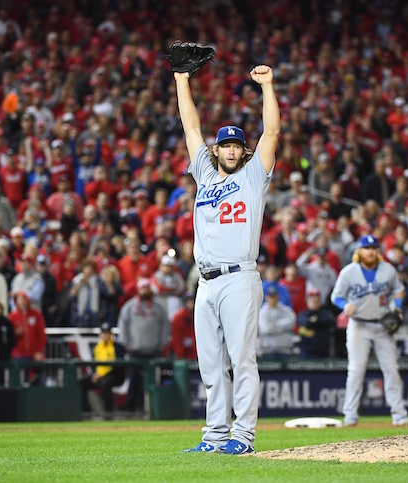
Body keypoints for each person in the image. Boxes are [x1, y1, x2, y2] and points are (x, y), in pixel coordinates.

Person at [175, 64, 280, 454]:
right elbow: (190, 127)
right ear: (217, 150)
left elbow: (271, 132)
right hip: (205, 281)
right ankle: (215, 436)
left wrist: (267, 87)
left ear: (243, 151)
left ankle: (243, 436)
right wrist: (181, 79)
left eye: (237, 145)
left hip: (239, 277)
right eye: (226, 145)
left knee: (242, 360)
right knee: (211, 367)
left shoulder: (253, 177)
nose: (232, 150)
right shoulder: (204, 172)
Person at [330, 235, 408, 427]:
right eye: (367, 248)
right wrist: (345, 305)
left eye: (374, 247)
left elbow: (398, 290)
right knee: (356, 370)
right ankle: (350, 414)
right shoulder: (349, 272)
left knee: (391, 369)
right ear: (360, 251)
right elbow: (336, 296)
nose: (371, 251)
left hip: (383, 325)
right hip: (358, 325)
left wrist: (398, 306)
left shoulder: (388, 270)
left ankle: (399, 413)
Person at [117, 278, 170, 414]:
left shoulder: (159, 307)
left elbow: (165, 326)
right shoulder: (129, 306)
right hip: (135, 350)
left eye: (147, 288)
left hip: (154, 350)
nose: (145, 290)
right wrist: (126, 343)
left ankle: (154, 409)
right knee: (133, 381)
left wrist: (162, 344)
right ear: (138, 290)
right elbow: (123, 325)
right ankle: (130, 408)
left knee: (154, 382)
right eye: (143, 288)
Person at [79, 323, 126, 418]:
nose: (105, 335)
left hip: (115, 375)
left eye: (107, 333)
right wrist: (95, 374)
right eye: (103, 333)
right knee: (81, 383)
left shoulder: (117, 346)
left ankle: (108, 413)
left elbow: (118, 365)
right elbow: (94, 365)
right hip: (99, 375)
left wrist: (102, 375)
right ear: (100, 335)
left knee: (105, 384)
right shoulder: (97, 347)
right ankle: (86, 412)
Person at [8, 291, 47, 385]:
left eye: (23, 299)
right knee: (19, 381)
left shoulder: (36, 314)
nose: (21, 301)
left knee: (38, 379)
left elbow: (41, 334)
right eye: (18, 299)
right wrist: (15, 334)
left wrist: (39, 351)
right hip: (19, 354)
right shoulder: (12, 317)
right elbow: (9, 337)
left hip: (35, 354)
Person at [257, 286, 297, 360]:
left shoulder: (286, 310)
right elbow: (265, 329)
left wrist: (274, 324)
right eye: (270, 296)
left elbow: (291, 324)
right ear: (266, 298)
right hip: (267, 351)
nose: (272, 299)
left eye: (274, 296)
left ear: (278, 297)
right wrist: (283, 327)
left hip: (285, 350)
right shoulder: (262, 312)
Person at [297, 288, 337, 358]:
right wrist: (316, 323)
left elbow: (331, 321)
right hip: (307, 351)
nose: (315, 303)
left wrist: (316, 321)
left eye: (317, 301)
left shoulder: (326, 313)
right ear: (308, 302)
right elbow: (305, 322)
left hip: (323, 351)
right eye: (312, 301)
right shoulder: (303, 314)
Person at [169, 291, 196, 359]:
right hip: (182, 355)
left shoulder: (198, 315)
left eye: (192, 301)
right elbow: (176, 337)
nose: (191, 304)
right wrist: (180, 353)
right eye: (189, 301)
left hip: (195, 354)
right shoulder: (179, 316)